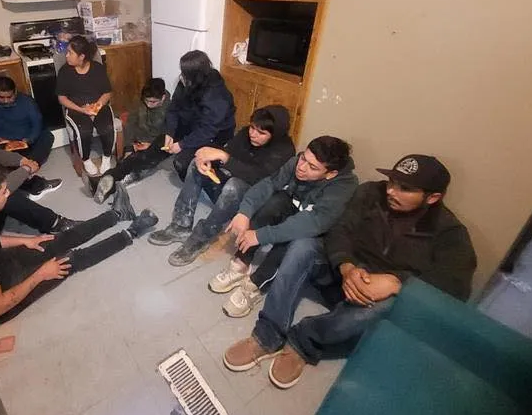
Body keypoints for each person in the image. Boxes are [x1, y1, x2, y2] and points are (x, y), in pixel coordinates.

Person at [223, 154, 477, 390]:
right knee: (304, 245)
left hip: (372, 299)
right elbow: (340, 229)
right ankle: (267, 334)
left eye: (405, 188)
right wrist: (346, 265)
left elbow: (456, 288)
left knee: (392, 303)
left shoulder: (450, 233)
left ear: (432, 198)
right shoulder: (371, 192)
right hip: (341, 272)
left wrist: (396, 282)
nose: (391, 190)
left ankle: (303, 342)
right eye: (392, 182)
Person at [0, 163, 159, 324]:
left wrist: (27, 240)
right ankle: (132, 232)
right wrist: (41, 274)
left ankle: (118, 214)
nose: (8, 193)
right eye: (3, 192)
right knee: (69, 261)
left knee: (56, 240)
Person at [210, 136, 358, 318]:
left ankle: (255, 285)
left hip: (317, 231)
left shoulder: (344, 186)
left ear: (330, 174)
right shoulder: (297, 163)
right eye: (304, 158)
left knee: (293, 240)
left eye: (312, 167)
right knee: (275, 201)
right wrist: (244, 212)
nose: (301, 167)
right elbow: (269, 183)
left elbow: (313, 223)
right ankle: (241, 263)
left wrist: (261, 235)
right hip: (298, 210)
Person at [149, 105, 296, 267]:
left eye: (261, 132)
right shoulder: (246, 134)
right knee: (196, 165)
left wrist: (224, 157)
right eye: (252, 128)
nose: (253, 134)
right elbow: (229, 151)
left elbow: (261, 178)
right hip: (230, 193)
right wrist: (208, 155)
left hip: (251, 208)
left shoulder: (285, 150)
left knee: (234, 185)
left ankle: (201, 238)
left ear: (274, 134)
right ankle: (181, 225)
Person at [92, 50, 236, 203]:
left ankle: (220, 191)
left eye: (184, 73)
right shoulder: (186, 83)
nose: (181, 76)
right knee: (154, 149)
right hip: (188, 127)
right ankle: (112, 177)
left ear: (196, 76)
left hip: (213, 136)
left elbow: (208, 130)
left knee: (182, 163)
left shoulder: (216, 95)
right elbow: (174, 109)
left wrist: (182, 144)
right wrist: (170, 133)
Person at [56, 36, 115, 176]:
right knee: (84, 131)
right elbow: (62, 98)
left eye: (70, 52)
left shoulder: (97, 69)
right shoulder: (65, 71)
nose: (66, 55)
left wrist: (97, 106)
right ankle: (86, 159)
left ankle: (107, 157)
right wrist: (82, 109)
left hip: (98, 105)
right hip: (76, 108)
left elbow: (107, 92)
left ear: (81, 56)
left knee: (107, 128)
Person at [0, 76, 55, 166]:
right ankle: (23, 165)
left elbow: (37, 124)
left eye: (9, 97)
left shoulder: (27, 102)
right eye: (1, 97)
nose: (6, 101)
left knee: (47, 136)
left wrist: (30, 139)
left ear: (15, 92)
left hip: (25, 141)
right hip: (2, 145)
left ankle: (29, 164)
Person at [122, 78, 171, 155]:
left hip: (157, 147)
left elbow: (169, 138)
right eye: (146, 100)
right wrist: (129, 147)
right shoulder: (140, 101)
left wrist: (151, 145)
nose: (148, 104)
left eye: (153, 102)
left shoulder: (171, 110)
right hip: (138, 143)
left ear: (163, 97)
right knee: (125, 163)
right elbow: (130, 123)